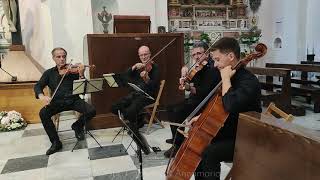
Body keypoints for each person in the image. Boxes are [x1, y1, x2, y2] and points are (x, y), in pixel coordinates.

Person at [188, 37, 262, 180]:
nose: (215, 64)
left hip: (245, 138)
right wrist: (203, 118)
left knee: (210, 152)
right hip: (230, 130)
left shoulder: (249, 81)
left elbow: (230, 105)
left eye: (217, 59)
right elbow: (220, 108)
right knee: (198, 143)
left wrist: (226, 79)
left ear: (231, 56)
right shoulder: (229, 75)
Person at [34, 47, 96, 155]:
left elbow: (84, 89)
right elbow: (38, 85)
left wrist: (81, 74)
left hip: (73, 100)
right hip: (57, 102)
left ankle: (77, 126)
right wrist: (41, 96)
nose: (62, 59)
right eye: (58, 57)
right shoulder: (49, 73)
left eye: (64, 56)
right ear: (53, 58)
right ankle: (55, 142)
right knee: (43, 113)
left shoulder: (73, 71)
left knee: (91, 110)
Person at [164, 42, 221, 158]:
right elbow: (190, 82)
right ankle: (176, 135)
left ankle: (178, 144)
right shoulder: (199, 67)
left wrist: (189, 87)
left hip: (204, 102)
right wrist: (184, 76)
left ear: (207, 53)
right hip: (195, 99)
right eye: (194, 54)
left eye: (199, 53)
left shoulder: (212, 68)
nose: (196, 57)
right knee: (169, 108)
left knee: (178, 111)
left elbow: (203, 92)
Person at [111, 45, 160, 131]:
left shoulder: (155, 68)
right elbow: (125, 76)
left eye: (146, 54)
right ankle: (138, 119)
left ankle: (135, 123)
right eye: (141, 55)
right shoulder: (139, 67)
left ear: (150, 54)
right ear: (139, 56)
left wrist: (147, 78)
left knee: (130, 110)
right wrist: (134, 67)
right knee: (115, 107)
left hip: (148, 96)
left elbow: (154, 86)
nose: (144, 57)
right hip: (136, 94)